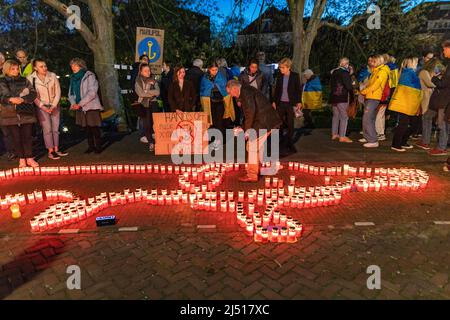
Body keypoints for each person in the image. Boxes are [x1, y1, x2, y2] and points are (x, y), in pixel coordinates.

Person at [226, 80, 282, 182]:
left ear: (234, 88)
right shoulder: (247, 90)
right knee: (254, 146)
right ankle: (256, 169)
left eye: (230, 92)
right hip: (265, 121)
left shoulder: (245, 93)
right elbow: (250, 114)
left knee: (252, 145)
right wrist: (242, 128)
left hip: (264, 123)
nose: (231, 95)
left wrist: (247, 130)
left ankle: (252, 174)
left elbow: (250, 112)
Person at [0, 59, 38, 167]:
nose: (16, 71)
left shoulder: (24, 80)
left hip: (25, 111)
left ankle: (30, 158)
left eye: (17, 68)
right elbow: (3, 96)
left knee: (27, 136)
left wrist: (23, 99)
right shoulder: (2, 81)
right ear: (7, 69)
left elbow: (33, 93)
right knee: (16, 138)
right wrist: (11, 99)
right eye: (13, 69)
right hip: (9, 113)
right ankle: (22, 159)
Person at [27, 59, 68, 160]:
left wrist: (54, 105)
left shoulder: (52, 75)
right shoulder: (31, 78)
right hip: (41, 107)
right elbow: (33, 95)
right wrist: (42, 106)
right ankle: (51, 151)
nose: (44, 68)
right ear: (35, 68)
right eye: (41, 66)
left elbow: (58, 91)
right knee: (47, 129)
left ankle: (57, 148)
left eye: (45, 66)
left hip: (54, 105)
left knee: (55, 128)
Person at [68, 58, 104, 154]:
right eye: (72, 65)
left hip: (91, 106)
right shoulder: (72, 78)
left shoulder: (90, 75)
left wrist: (79, 104)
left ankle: (98, 146)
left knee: (94, 127)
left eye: (75, 65)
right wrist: (73, 103)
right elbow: (70, 93)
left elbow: (92, 92)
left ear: (81, 66)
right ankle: (91, 146)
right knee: (87, 128)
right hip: (80, 107)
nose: (73, 67)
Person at [388, 57, 422, 152]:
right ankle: (396, 144)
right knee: (404, 125)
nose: (417, 64)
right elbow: (411, 90)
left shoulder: (406, 73)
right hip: (406, 103)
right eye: (415, 62)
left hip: (407, 103)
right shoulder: (409, 73)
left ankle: (402, 142)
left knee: (410, 124)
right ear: (411, 63)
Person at [200, 61, 235, 148]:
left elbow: (225, 89)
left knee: (219, 122)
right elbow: (202, 90)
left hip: (220, 102)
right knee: (210, 122)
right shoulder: (204, 78)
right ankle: (211, 140)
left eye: (216, 70)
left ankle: (219, 140)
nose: (215, 71)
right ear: (209, 69)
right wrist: (212, 86)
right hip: (209, 103)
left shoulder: (221, 77)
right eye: (213, 70)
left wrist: (216, 86)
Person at [359, 55, 390, 148]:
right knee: (369, 118)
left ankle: (372, 140)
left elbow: (375, 85)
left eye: (374, 61)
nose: (371, 63)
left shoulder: (382, 72)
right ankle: (369, 137)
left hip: (374, 97)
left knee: (367, 118)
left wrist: (363, 91)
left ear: (379, 61)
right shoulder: (376, 70)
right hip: (371, 96)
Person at [272, 58, 301, 155]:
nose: (280, 69)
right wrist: (274, 101)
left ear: (288, 67)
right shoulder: (280, 76)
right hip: (280, 103)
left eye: (282, 68)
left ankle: (289, 143)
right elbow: (277, 90)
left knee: (290, 124)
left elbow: (298, 90)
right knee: (278, 123)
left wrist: (299, 102)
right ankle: (280, 142)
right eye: (280, 67)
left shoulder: (295, 76)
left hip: (290, 104)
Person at [426, 40, 450, 156]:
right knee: (444, 123)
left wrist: (435, 78)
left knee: (442, 123)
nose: (443, 51)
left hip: (445, 99)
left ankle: (441, 147)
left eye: (445, 49)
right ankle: (443, 146)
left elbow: (444, 84)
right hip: (446, 99)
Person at [416, 58, 441, 151]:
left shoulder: (429, 73)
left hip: (430, 98)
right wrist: (440, 83)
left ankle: (425, 141)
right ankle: (425, 141)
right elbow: (430, 84)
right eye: (436, 66)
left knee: (427, 120)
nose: (437, 68)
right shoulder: (424, 72)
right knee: (426, 119)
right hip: (426, 97)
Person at [135, 63, 160, 152]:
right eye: (145, 71)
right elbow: (140, 93)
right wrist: (150, 92)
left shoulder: (153, 80)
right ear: (141, 72)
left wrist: (146, 91)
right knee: (147, 124)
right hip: (144, 104)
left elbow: (157, 92)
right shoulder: (138, 80)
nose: (148, 72)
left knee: (155, 123)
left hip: (153, 103)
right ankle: (151, 142)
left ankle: (157, 141)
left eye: (149, 70)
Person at [329, 58, 354, 143]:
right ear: (346, 64)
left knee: (336, 115)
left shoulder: (334, 72)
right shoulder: (344, 73)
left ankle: (334, 134)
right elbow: (348, 86)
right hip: (342, 96)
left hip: (333, 96)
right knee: (344, 116)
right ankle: (342, 136)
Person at [376, 54, 399, 141]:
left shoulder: (385, 69)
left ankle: (379, 133)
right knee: (381, 115)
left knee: (378, 114)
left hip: (382, 94)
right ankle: (381, 133)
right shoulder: (394, 68)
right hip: (388, 94)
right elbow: (394, 83)